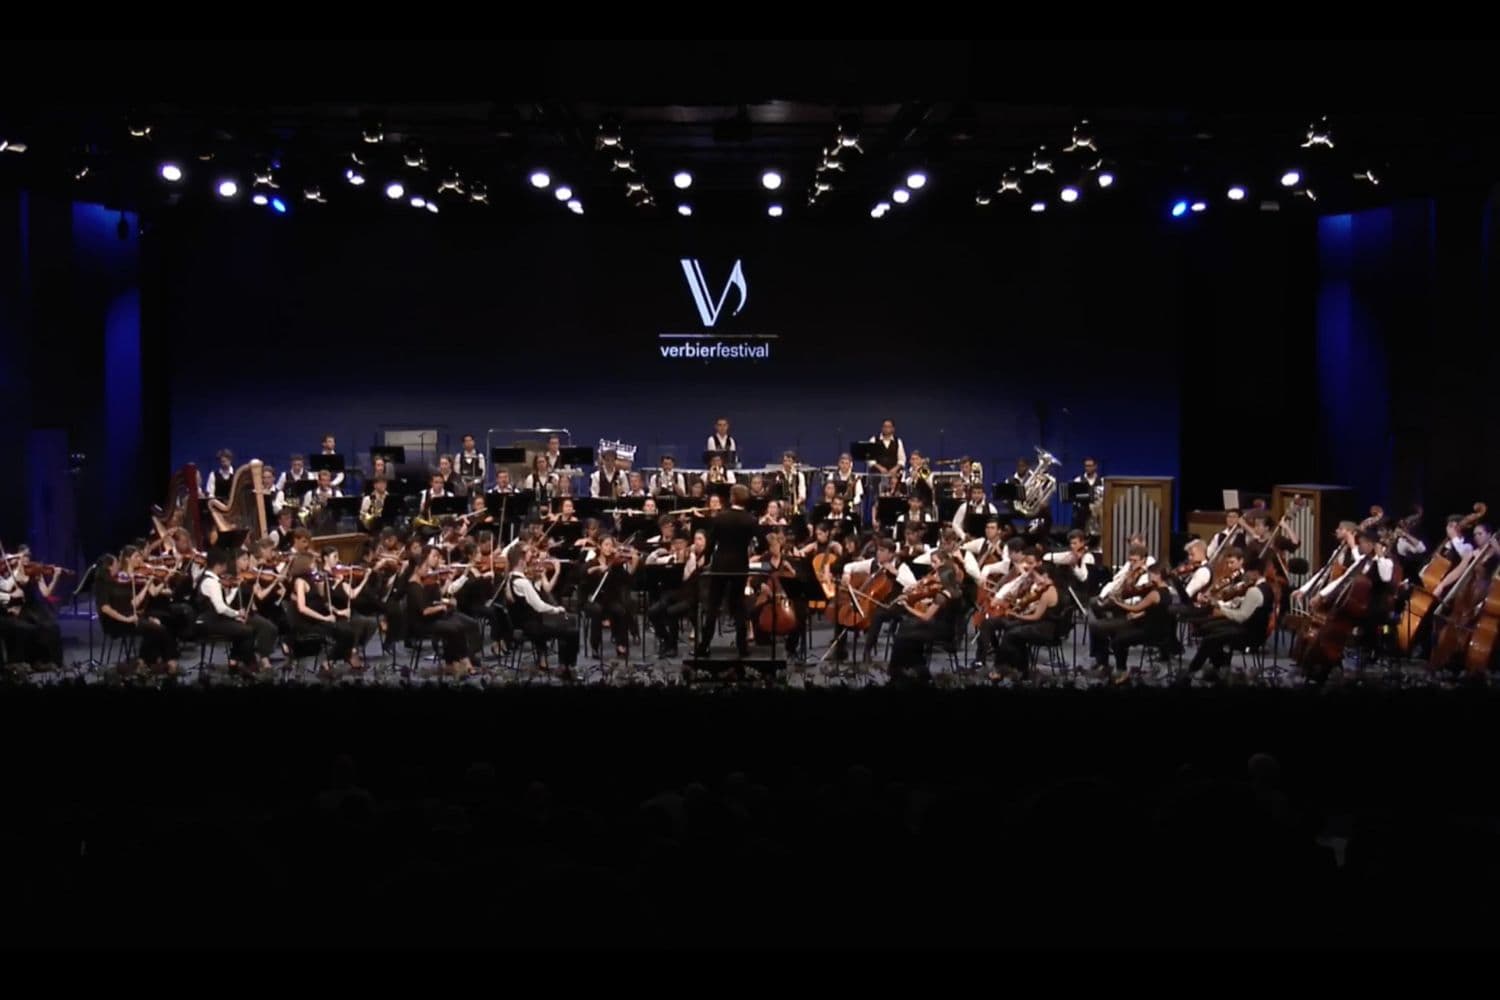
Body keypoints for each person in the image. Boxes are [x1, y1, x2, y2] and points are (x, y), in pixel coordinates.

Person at [693, 484, 757, 660]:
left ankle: (704, 646)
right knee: (739, 607)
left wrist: (704, 561)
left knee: (713, 607)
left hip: (720, 566)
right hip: (739, 566)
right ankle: (742, 648)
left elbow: (711, 543)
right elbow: (762, 544)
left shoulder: (720, 518)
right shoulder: (750, 519)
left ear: (732, 497)